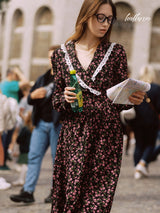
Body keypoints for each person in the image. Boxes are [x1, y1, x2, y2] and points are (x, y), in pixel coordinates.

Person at [50, 0, 145, 212]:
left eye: (109, 19)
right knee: (71, 199)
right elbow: (55, 99)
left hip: (106, 137)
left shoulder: (116, 52)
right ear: (86, 16)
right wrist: (65, 98)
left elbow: (119, 99)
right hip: (74, 136)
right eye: (100, 17)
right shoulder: (61, 55)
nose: (105, 24)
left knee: (98, 203)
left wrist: (131, 98)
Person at [10, 46, 62, 204]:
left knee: (57, 160)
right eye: (49, 57)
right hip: (40, 124)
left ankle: (57, 192)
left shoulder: (66, 78)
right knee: (33, 157)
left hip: (57, 124)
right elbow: (30, 98)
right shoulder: (43, 78)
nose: (52, 60)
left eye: (55, 56)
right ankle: (28, 191)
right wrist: (32, 95)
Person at [127, 65, 160, 179]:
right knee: (150, 144)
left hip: (137, 120)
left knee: (139, 144)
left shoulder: (136, 88)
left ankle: (137, 169)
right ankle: (142, 163)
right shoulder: (156, 88)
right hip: (152, 121)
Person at [0, 67, 29, 170]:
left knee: (6, 139)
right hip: (8, 115)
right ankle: (2, 164)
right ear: (11, 75)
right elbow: (26, 82)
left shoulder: (4, 83)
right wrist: (18, 72)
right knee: (5, 140)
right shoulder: (9, 83)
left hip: (7, 115)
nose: (17, 78)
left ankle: (4, 161)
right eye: (16, 76)